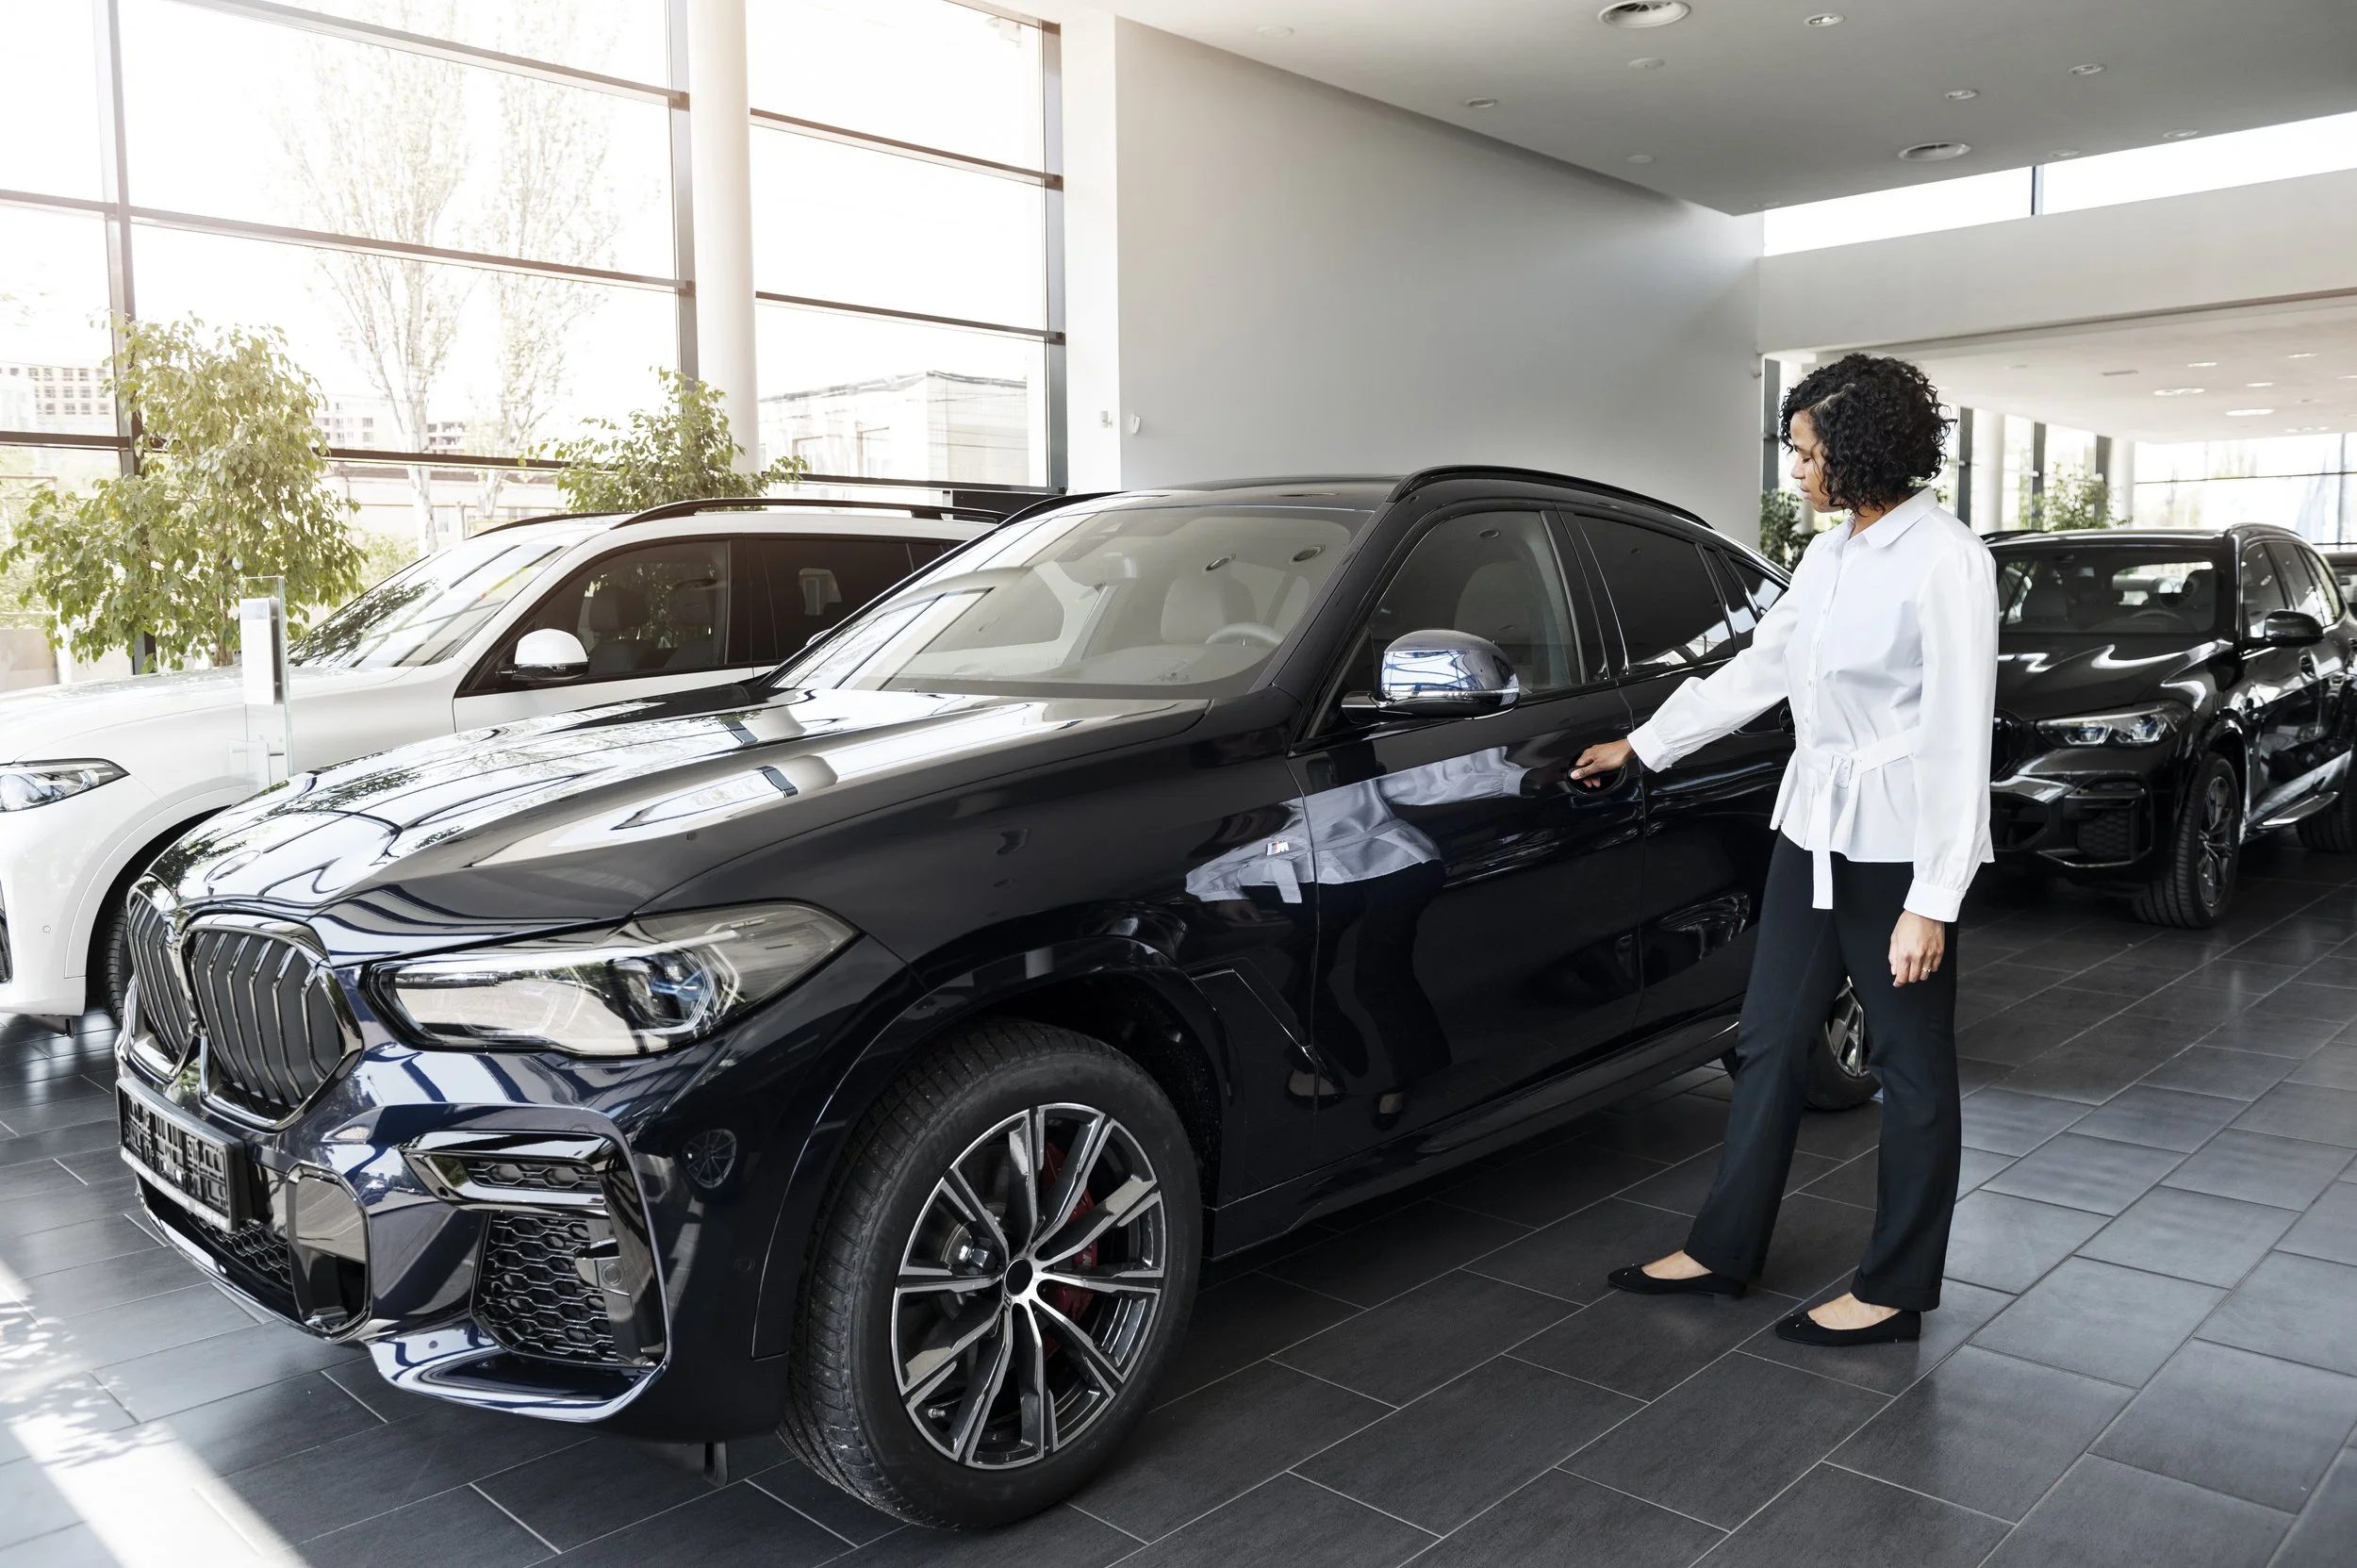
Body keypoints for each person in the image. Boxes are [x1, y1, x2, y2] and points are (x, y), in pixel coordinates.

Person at [1570, 353, 1998, 1346]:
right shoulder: (1830, 554)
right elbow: (1761, 667)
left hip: (1896, 847)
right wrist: (1647, 742)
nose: (1795, 471)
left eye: (1807, 453)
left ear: (1862, 449)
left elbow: (1957, 735)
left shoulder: (1947, 560)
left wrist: (1933, 896)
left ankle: (1893, 1288)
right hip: (1810, 832)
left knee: (1911, 1064)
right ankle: (1724, 1249)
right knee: (1765, 1042)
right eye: (1792, 450)